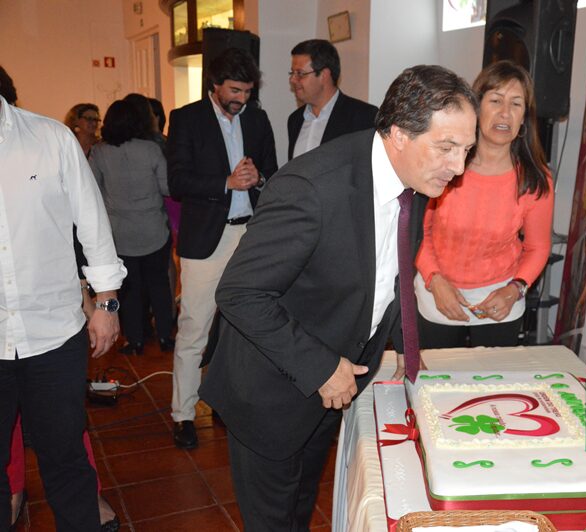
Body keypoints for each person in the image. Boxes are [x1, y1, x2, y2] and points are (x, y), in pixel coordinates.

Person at [199, 64, 477, 531]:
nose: (459, 167)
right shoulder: (311, 188)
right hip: (270, 390)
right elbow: (240, 292)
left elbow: (387, 274)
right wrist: (322, 367)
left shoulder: (415, 180)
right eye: (447, 147)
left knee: (301, 503)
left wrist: (406, 351)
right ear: (398, 134)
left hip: (334, 382)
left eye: (466, 149)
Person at [0, 65, 126, 531]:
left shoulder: (50, 138)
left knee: (66, 457)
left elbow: (92, 222)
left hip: (53, 333)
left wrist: (106, 303)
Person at [167, 47, 278, 450]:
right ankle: (183, 413)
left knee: (241, 327)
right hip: (206, 240)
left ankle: (225, 401)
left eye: (247, 91)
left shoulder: (258, 118)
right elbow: (177, 181)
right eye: (234, 90)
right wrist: (226, 183)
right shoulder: (186, 118)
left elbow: (273, 173)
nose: (241, 99)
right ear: (214, 85)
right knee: (195, 326)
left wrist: (258, 177)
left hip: (250, 235)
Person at [414, 60, 554, 349]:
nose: (505, 113)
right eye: (496, 100)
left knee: (493, 377)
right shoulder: (445, 164)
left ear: (524, 118)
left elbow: (538, 247)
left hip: (500, 298)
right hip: (437, 289)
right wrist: (434, 280)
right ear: (476, 108)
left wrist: (515, 289)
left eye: (516, 104)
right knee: (435, 375)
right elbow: (418, 231)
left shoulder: (535, 178)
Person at [90, 99, 173, 355]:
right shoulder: (151, 149)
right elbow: (166, 188)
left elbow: (93, 191)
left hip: (119, 233)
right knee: (159, 284)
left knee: (129, 289)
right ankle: (165, 336)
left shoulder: (100, 152)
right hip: (153, 229)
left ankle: (135, 340)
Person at [287, 39, 378, 159]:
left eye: (300, 73)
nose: (292, 80)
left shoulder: (363, 117)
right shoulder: (295, 120)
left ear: (324, 75)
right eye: (292, 73)